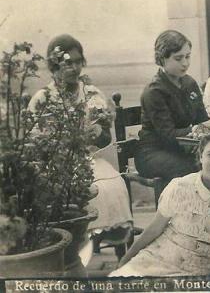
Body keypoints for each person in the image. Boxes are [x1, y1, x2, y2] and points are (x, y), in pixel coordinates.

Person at [28, 34, 133, 243]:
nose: (74, 68)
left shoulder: (91, 93)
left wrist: (97, 134)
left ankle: (104, 237)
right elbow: (35, 144)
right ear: (55, 65)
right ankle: (75, 242)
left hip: (88, 160)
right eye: (68, 62)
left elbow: (104, 139)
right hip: (55, 164)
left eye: (78, 62)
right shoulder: (43, 99)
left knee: (112, 184)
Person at [110, 128, 210, 276]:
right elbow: (154, 230)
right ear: (201, 157)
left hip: (200, 273)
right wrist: (125, 260)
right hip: (159, 259)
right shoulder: (180, 186)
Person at [134, 30, 210, 181]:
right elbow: (167, 136)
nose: (185, 63)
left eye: (188, 56)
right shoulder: (154, 91)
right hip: (153, 153)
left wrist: (207, 127)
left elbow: (202, 119)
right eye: (178, 58)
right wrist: (199, 128)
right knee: (192, 169)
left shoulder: (189, 83)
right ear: (162, 58)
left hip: (182, 149)